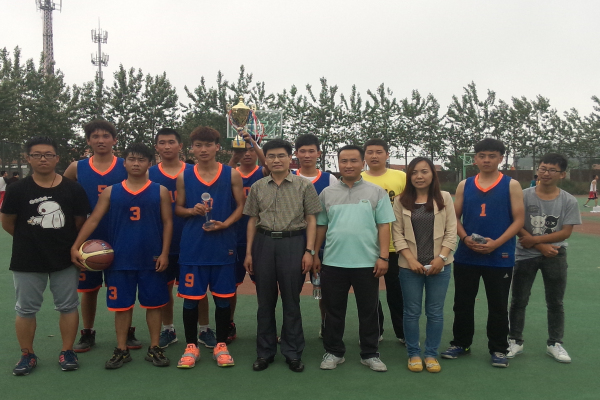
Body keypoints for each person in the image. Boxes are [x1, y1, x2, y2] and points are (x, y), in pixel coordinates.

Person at [71, 143, 173, 369]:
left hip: (151, 259)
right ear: (124, 163)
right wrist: (76, 246)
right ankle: (121, 349)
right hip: (119, 260)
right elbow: (94, 219)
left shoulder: (160, 190)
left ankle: (154, 347)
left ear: (149, 164)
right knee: (122, 307)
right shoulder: (111, 191)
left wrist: (165, 253)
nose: (136, 164)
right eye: (132, 159)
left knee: (154, 305)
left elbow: (168, 223)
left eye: (141, 160)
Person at [2, 137, 90, 375]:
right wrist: (31, 239)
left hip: (64, 258)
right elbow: (8, 222)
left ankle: (67, 351)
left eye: (48, 155)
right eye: (37, 155)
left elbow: (79, 222)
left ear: (57, 158)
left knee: (68, 306)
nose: (43, 159)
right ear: (28, 158)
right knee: (25, 309)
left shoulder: (73, 189)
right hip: (27, 259)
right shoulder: (17, 189)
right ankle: (27, 354)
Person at [441, 138, 524, 368]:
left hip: (500, 256)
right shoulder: (465, 184)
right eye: (482, 156)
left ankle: (498, 348)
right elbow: (454, 217)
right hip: (467, 256)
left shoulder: (511, 185)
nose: (486, 160)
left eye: (492, 156)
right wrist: (465, 238)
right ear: (475, 159)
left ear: (501, 159)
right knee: (462, 303)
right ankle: (461, 343)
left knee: (498, 306)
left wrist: (497, 243)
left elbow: (519, 220)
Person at [243, 139, 321, 373]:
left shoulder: (304, 186)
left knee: (291, 300)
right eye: (271, 156)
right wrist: (249, 252)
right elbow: (252, 220)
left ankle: (293, 353)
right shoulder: (258, 186)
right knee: (265, 302)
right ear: (265, 159)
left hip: (293, 244)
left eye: (281, 156)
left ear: (290, 158)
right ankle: (264, 352)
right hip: (264, 244)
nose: (276, 160)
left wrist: (309, 251)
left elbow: (311, 219)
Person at [315, 144, 394, 372]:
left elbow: (384, 226)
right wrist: (315, 253)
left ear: (362, 163)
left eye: (353, 161)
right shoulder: (327, 193)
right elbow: (321, 226)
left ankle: (370, 353)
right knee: (333, 310)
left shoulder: (376, 192)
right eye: (344, 161)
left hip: (367, 263)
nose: (348, 165)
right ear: (338, 163)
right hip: (333, 262)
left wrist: (383, 257)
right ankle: (334, 352)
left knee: (368, 311)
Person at [175, 126, 245, 369]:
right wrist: (190, 210)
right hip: (193, 247)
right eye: (198, 145)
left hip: (222, 246)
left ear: (217, 147)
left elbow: (241, 206)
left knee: (223, 299)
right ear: (191, 148)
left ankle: (221, 345)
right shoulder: (184, 176)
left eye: (208, 145)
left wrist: (225, 223)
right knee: (191, 300)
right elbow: (178, 208)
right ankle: (191, 346)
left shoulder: (232, 174)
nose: (203, 150)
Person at [63, 120, 136, 353]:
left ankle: (128, 330)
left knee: (123, 285)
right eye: (95, 136)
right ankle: (88, 332)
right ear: (88, 140)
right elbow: (63, 193)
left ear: (115, 140)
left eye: (106, 136)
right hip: (89, 237)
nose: (101, 140)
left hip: (120, 234)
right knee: (89, 289)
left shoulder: (126, 165)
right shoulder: (77, 167)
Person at [508, 153, 581, 363]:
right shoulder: (523, 195)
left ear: (562, 174)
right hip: (525, 255)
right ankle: (515, 340)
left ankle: (554, 343)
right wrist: (539, 245)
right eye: (542, 168)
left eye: (552, 170)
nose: (546, 173)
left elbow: (566, 232)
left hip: (556, 254)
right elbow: (515, 223)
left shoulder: (568, 200)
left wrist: (536, 241)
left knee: (555, 301)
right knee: (519, 300)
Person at [391, 157, 457, 373]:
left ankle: (430, 354)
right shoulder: (400, 201)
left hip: (440, 266)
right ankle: (413, 353)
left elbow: (451, 232)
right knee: (411, 312)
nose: (419, 176)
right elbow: (397, 234)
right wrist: (411, 260)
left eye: (424, 171)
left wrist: (441, 258)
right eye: (414, 172)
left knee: (435, 312)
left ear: (432, 174)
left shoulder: (444, 198)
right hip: (409, 267)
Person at [149, 128, 209, 349]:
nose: (167, 146)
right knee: (164, 288)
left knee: (198, 289)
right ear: (156, 147)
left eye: (171, 142)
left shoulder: (196, 171)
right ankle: (168, 329)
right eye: (162, 142)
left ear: (180, 146)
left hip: (193, 240)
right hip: (162, 242)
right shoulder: (149, 174)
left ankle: (204, 329)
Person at [361, 138, 406, 344]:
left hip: (396, 245)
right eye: (370, 152)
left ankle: (402, 332)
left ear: (387, 155)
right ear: (364, 156)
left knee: (397, 293)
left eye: (379, 152)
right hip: (367, 246)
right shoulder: (358, 178)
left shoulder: (401, 177)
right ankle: (375, 330)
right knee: (369, 294)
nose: (374, 156)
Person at [293, 133, 337, 337]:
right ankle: (291, 330)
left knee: (325, 291)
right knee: (291, 291)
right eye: (302, 151)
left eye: (311, 151)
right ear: (296, 154)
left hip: (323, 244)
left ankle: (326, 326)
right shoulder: (288, 175)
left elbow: (333, 212)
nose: (307, 155)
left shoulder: (330, 179)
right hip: (293, 243)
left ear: (319, 153)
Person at [227, 131, 267, 343]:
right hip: (233, 238)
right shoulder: (231, 173)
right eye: (244, 151)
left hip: (259, 239)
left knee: (263, 286)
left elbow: (267, 164)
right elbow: (221, 174)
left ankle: (266, 325)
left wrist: (253, 142)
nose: (248, 153)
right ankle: (229, 323)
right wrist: (235, 154)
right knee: (230, 287)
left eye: (251, 150)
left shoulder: (262, 172)